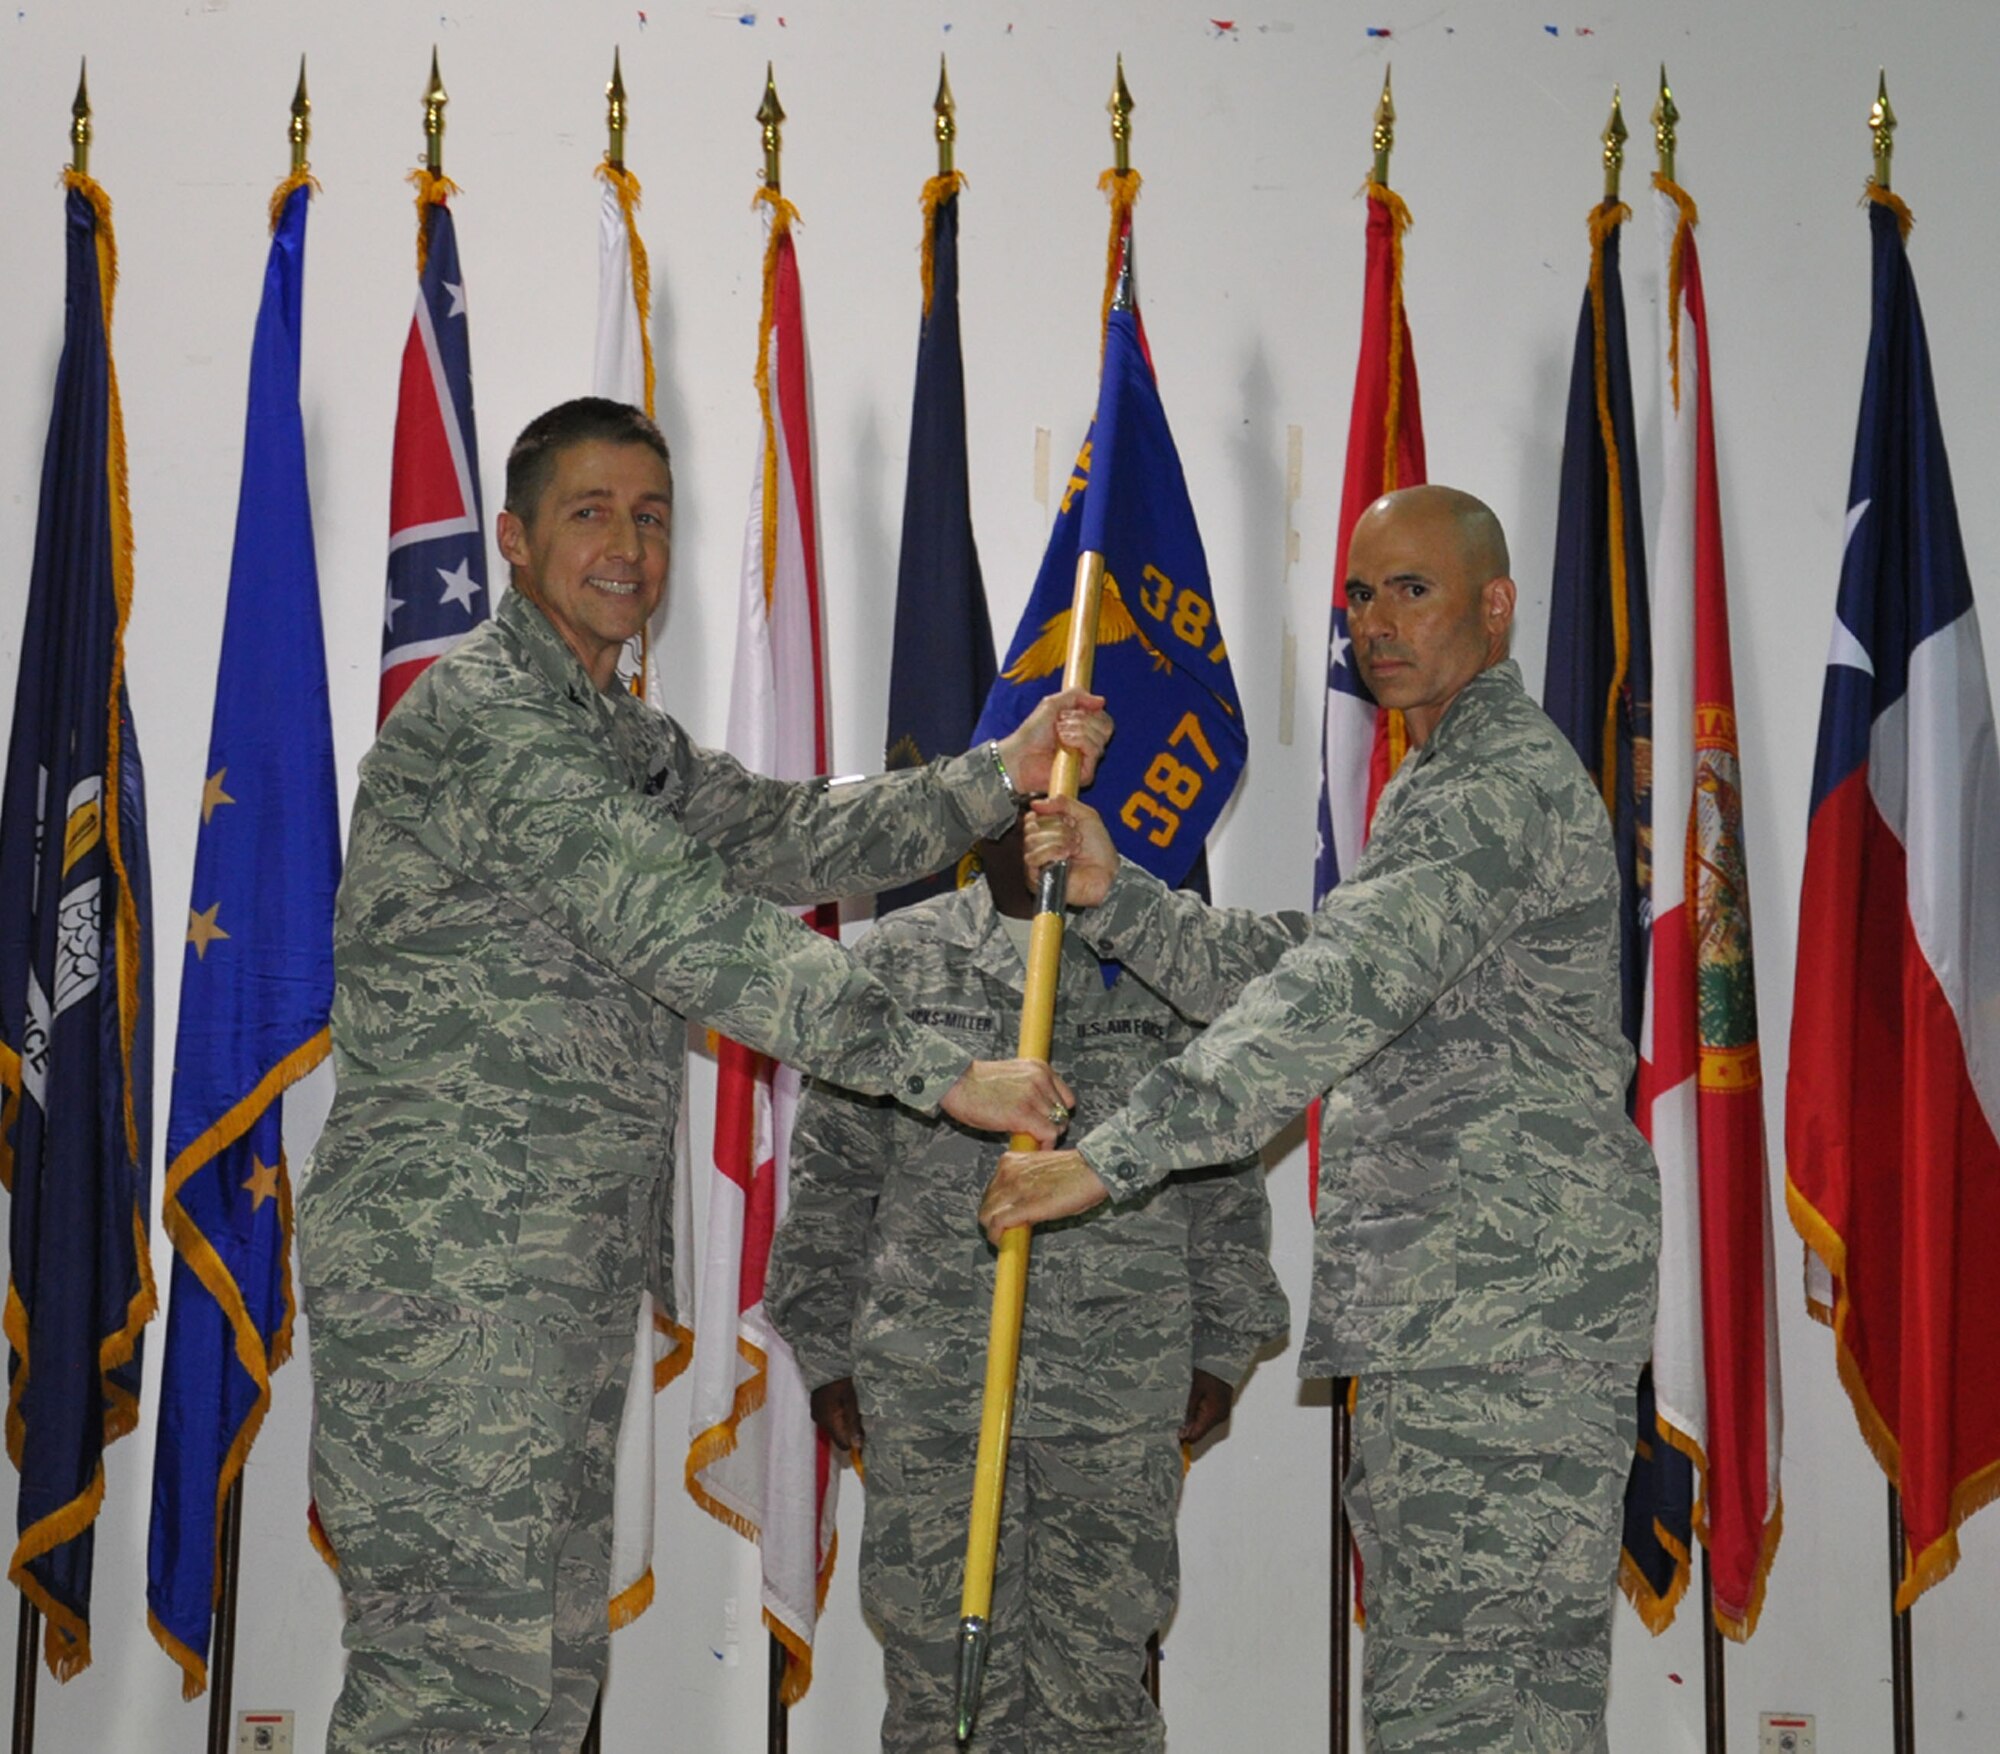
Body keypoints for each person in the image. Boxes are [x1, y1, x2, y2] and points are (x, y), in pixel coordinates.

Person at [297, 397, 1110, 1754]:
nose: (628, 546)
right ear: (512, 537)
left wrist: (991, 779)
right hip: (449, 1283)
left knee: (544, 1674)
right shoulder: (493, 721)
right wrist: (933, 1070)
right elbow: (685, 921)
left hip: (545, 1281)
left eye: (653, 516)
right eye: (589, 512)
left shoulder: (616, 729)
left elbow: (782, 833)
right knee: (452, 1687)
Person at [980, 486, 1660, 1753]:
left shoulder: (1493, 783)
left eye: (1411, 587)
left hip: (1497, 1323)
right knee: (1474, 1700)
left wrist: (1111, 1160)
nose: (1374, 621)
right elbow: (1317, 956)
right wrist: (1120, 899)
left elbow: (1339, 991)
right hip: (1466, 1318)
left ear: (1495, 605)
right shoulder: (1444, 780)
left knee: (1469, 1710)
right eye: (1356, 593)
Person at [765, 807, 1287, 1752]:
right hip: (933, 1388)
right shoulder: (899, 960)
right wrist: (826, 1354)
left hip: (1117, 1385)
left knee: (1097, 1692)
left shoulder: (1160, 953)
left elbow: (1219, 1165)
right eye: (1017, 799)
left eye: (1061, 798)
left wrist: (1222, 1340)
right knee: (942, 1692)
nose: (1036, 819)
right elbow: (835, 1172)